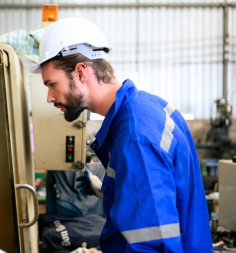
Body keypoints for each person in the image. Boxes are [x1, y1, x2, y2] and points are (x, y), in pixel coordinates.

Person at [30, 17, 213, 252]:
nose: (49, 97)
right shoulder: (147, 107)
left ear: (80, 73)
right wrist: (107, 188)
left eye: (52, 84)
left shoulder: (135, 137)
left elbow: (152, 244)